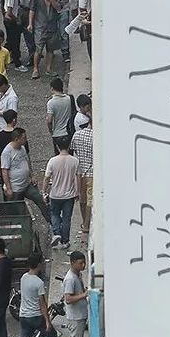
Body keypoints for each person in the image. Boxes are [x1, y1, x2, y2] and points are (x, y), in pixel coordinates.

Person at [13, 250, 57, 337]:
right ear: (38, 265)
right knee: (52, 334)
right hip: (36, 316)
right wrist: (47, 321)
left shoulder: (23, 278)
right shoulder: (39, 283)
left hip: (23, 316)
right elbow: (42, 304)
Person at [1, 127, 50, 224]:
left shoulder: (22, 148)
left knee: (40, 199)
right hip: (15, 188)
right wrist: (9, 188)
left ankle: (51, 222)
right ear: (16, 139)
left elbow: (27, 161)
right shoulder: (7, 152)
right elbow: (4, 171)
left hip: (27, 185)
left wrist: (32, 175)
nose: (26, 140)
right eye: (23, 138)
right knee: (16, 211)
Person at [45, 136, 80, 248]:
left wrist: (44, 191)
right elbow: (77, 177)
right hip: (69, 195)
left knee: (54, 214)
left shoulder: (52, 161)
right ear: (69, 146)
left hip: (55, 194)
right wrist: (77, 192)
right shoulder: (75, 161)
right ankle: (65, 241)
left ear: (57, 147)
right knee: (66, 218)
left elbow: (46, 178)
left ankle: (56, 233)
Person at [71, 100, 94, 237]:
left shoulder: (77, 135)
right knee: (91, 200)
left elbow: (73, 149)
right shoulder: (95, 137)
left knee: (82, 198)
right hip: (91, 171)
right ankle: (87, 224)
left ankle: (83, 221)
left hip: (80, 171)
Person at [63, 250, 89, 337]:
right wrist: (84, 294)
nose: (83, 265)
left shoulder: (78, 275)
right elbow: (68, 299)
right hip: (75, 318)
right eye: (80, 263)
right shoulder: (70, 279)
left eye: (84, 262)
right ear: (72, 263)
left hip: (80, 315)